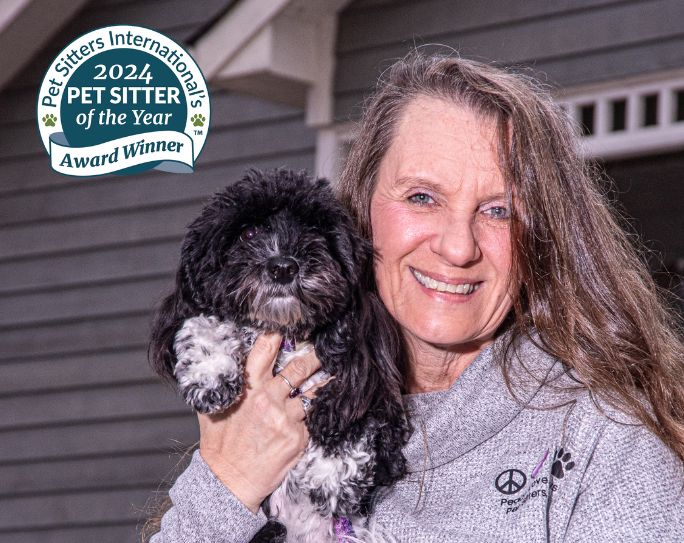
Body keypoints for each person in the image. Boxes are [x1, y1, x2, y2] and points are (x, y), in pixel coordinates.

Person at [143, 51, 684, 542]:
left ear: (543, 240)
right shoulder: (266, 404)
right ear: (361, 210)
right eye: (423, 197)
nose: (457, 246)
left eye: (498, 210)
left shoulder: (605, 446)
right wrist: (227, 484)